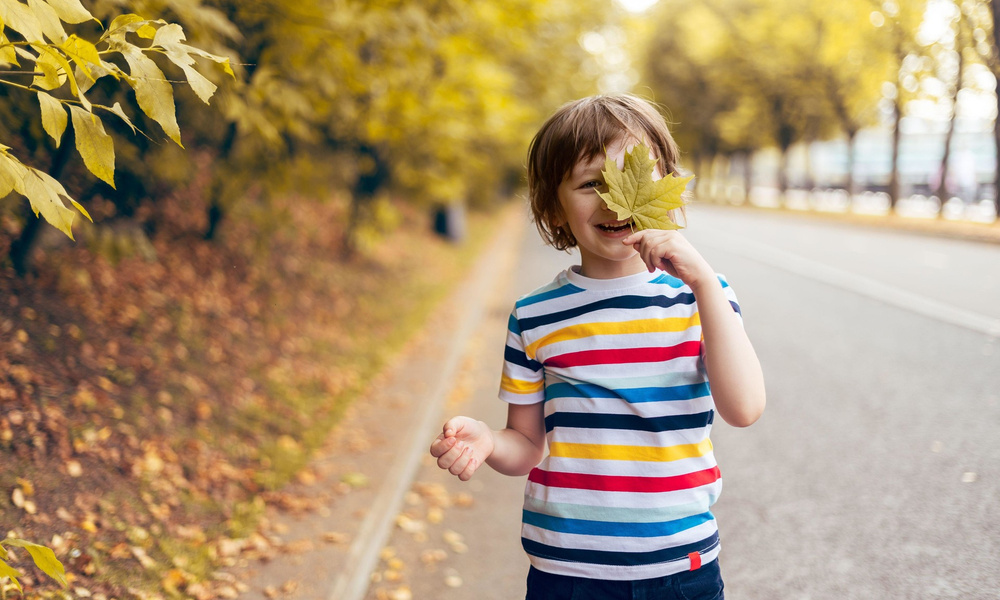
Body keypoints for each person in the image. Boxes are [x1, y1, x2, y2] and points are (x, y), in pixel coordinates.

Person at [429, 93, 766, 600]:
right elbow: (525, 446)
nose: (613, 201)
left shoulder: (700, 297)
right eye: (590, 184)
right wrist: (487, 440)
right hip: (566, 571)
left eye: (632, 179)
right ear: (554, 208)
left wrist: (703, 285)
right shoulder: (534, 316)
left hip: (679, 567)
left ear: (668, 190)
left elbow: (743, 409)